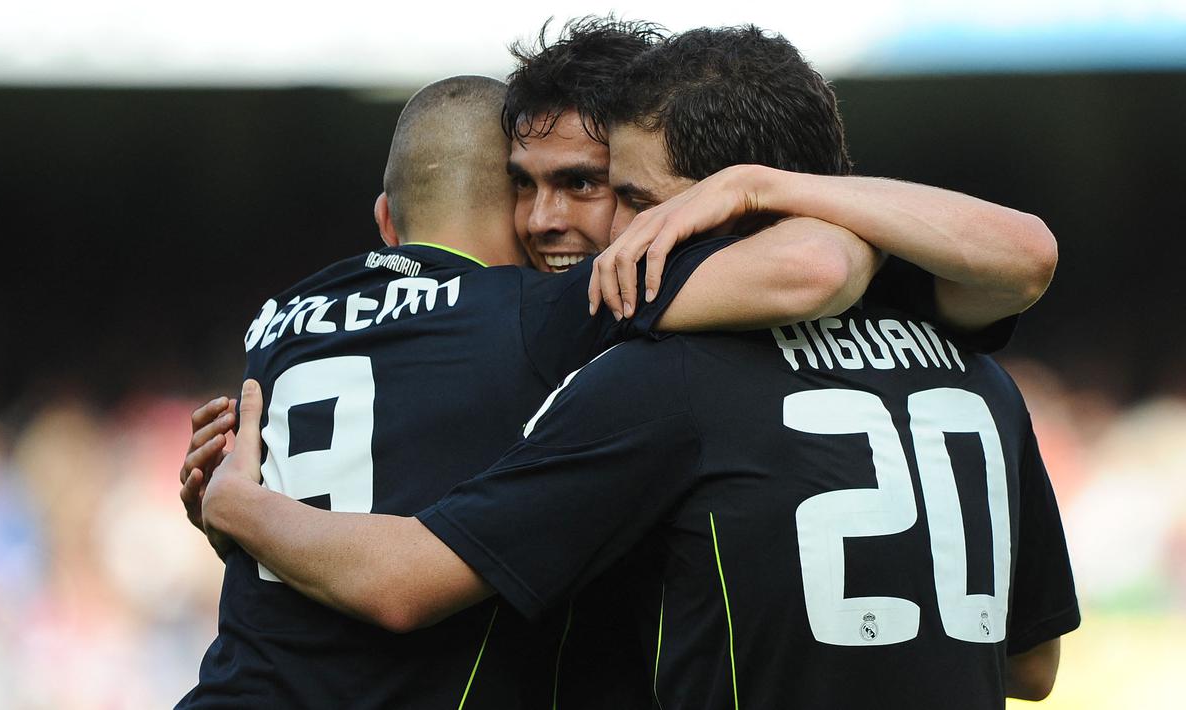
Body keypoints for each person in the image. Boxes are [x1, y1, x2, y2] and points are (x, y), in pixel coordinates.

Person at [195, 26, 1078, 709]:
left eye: (614, 193)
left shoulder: (648, 378)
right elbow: (1030, 665)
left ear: (722, 196)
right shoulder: (973, 371)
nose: (550, 221)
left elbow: (406, 577)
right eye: (522, 185)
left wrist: (242, 507)